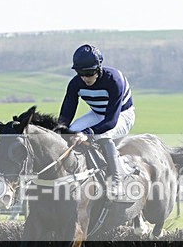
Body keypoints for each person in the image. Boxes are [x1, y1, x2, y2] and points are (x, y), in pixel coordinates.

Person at [58, 44, 136, 200]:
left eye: (90, 73)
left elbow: (111, 121)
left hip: (121, 115)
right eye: (81, 73)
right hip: (97, 113)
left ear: (99, 69)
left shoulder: (114, 80)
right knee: (70, 133)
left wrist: (87, 133)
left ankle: (116, 180)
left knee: (103, 135)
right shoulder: (75, 84)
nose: (85, 78)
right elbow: (66, 115)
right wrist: (60, 131)